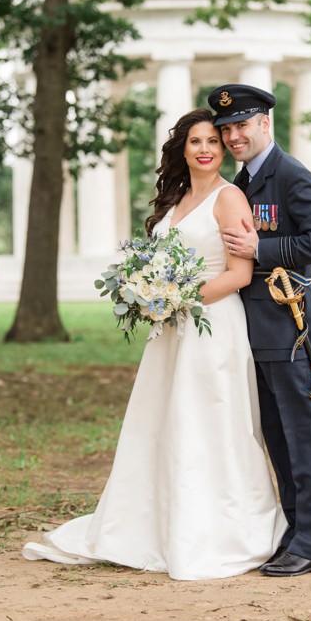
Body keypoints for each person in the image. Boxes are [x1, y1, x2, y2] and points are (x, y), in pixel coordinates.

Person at [23, 108, 286, 580]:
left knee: (209, 424)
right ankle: (153, 526)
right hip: (170, 331)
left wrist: (178, 299)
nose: (205, 148)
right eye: (195, 141)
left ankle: (223, 531)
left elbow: (240, 273)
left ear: (223, 148)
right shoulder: (177, 197)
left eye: (213, 140)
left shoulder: (230, 199)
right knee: (162, 423)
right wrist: (151, 298)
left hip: (211, 326)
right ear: (181, 149)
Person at [210, 84, 311, 577]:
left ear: (265, 123)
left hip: (293, 329)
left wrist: (258, 251)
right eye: (227, 129)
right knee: (279, 440)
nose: (233, 135)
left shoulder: (290, 175)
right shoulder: (241, 182)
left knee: (304, 440)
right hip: (256, 332)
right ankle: (293, 533)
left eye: (242, 125)